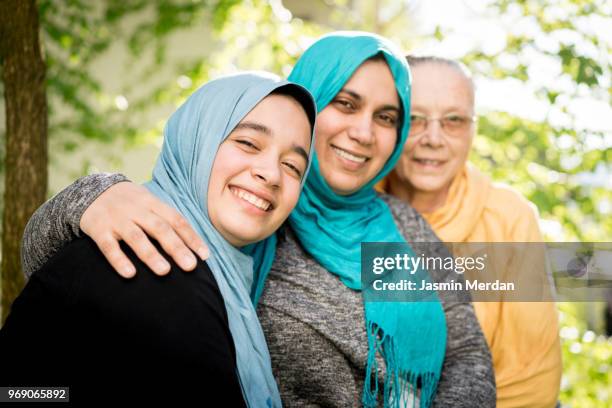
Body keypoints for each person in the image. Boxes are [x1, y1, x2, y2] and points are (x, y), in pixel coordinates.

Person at [19, 32, 495, 407]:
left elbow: (465, 350)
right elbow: (67, 279)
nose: (364, 132)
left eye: (387, 116)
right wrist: (92, 196)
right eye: (345, 103)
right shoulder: (246, 215)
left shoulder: (397, 227)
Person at [1, 72, 317, 406]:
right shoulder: (151, 251)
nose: (363, 134)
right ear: (199, 139)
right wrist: (85, 197)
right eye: (346, 104)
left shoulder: (377, 239)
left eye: (294, 166)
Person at [379, 56, 562, 408]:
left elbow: (531, 380)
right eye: (415, 119)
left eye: (454, 121)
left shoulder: (509, 218)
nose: (434, 138)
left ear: (473, 130)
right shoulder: (352, 210)